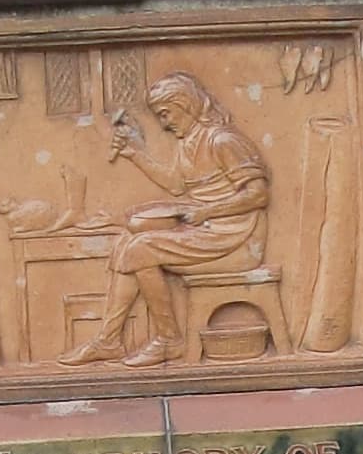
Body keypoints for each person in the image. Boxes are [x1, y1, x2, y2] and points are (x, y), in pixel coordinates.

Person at [73, 74, 272, 363]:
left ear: (185, 105)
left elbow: (259, 195)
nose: (165, 123)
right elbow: (177, 186)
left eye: (166, 114)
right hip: (207, 231)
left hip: (235, 238)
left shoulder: (223, 140)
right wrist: (135, 154)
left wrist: (207, 211)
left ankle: (169, 339)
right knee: (128, 241)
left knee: (141, 248)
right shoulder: (188, 142)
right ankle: (109, 340)